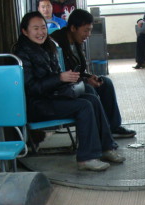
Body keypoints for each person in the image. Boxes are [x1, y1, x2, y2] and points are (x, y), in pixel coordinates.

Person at [14, 12, 124, 172]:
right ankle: (86, 157)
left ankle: (107, 147)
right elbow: (31, 87)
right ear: (25, 31)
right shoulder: (22, 54)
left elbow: (56, 77)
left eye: (43, 27)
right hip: (37, 105)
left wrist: (70, 79)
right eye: (35, 28)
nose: (41, 32)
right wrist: (60, 78)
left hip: (52, 97)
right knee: (84, 106)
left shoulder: (48, 47)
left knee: (92, 99)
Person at [51, 9, 136, 139]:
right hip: (62, 88)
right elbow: (62, 74)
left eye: (90, 30)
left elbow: (78, 70)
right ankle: (100, 132)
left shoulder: (76, 42)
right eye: (85, 30)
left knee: (105, 82)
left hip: (75, 82)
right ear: (73, 28)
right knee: (89, 89)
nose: (88, 34)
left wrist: (88, 77)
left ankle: (113, 127)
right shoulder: (57, 44)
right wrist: (85, 81)